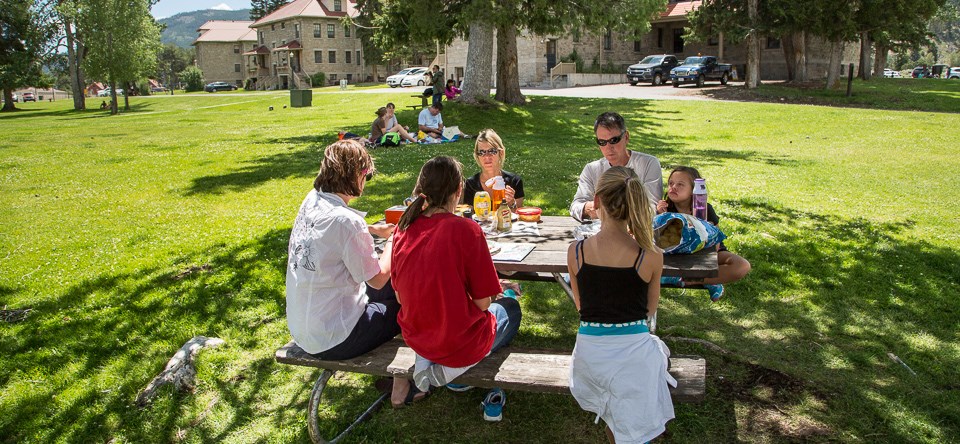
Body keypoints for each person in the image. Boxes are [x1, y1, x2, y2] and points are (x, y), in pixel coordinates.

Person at [285, 139, 422, 408]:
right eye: (367, 175)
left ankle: (403, 375)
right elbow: (379, 277)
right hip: (336, 337)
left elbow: (331, 232)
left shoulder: (312, 200)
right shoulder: (347, 221)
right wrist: (396, 240)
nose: (367, 181)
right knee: (410, 300)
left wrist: (371, 229)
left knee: (396, 290)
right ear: (357, 173)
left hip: (306, 328)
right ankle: (404, 382)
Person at [391, 156, 523, 422]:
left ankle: (437, 365)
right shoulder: (466, 230)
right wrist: (497, 290)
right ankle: (455, 371)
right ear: (459, 190)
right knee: (511, 308)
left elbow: (399, 294)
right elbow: (483, 304)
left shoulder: (402, 229)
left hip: (417, 334)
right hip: (459, 342)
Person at [566, 166, 675, 444]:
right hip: (632, 357)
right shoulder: (651, 256)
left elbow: (582, 307)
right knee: (651, 362)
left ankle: (619, 428)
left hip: (589, 362)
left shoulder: (575, 252)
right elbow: (649, 312)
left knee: (635, 381)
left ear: (598, 202)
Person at [656, 166, 751, 301]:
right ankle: (706, 280)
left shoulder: (705, 208)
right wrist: (662, 216)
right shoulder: (666, 210)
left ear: (693, 190)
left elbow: (716, 241)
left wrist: (706, 262)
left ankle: (699, 280)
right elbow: (659, 241)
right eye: (671, 183)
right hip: (676, 257)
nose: (673, 187)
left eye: (680, 184)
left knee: (742, 266)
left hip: (708, 253)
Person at [570, 112, 663, 221]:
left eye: (614, 140)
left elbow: (651, 208)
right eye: (602, 142)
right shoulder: (592, 169)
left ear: (626, 137)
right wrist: (589, 208)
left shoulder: (648, 164)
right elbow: (576, 207)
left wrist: (606, 208)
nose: (609, 147)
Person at [462, 128, 524, 210]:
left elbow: (518, 217)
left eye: (492, 151)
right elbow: (468, 217)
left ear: (501, 153)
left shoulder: (514, 181)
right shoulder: (471, 184)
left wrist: (512, 203)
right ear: (477, 156)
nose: (487, 157)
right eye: (481, 152)